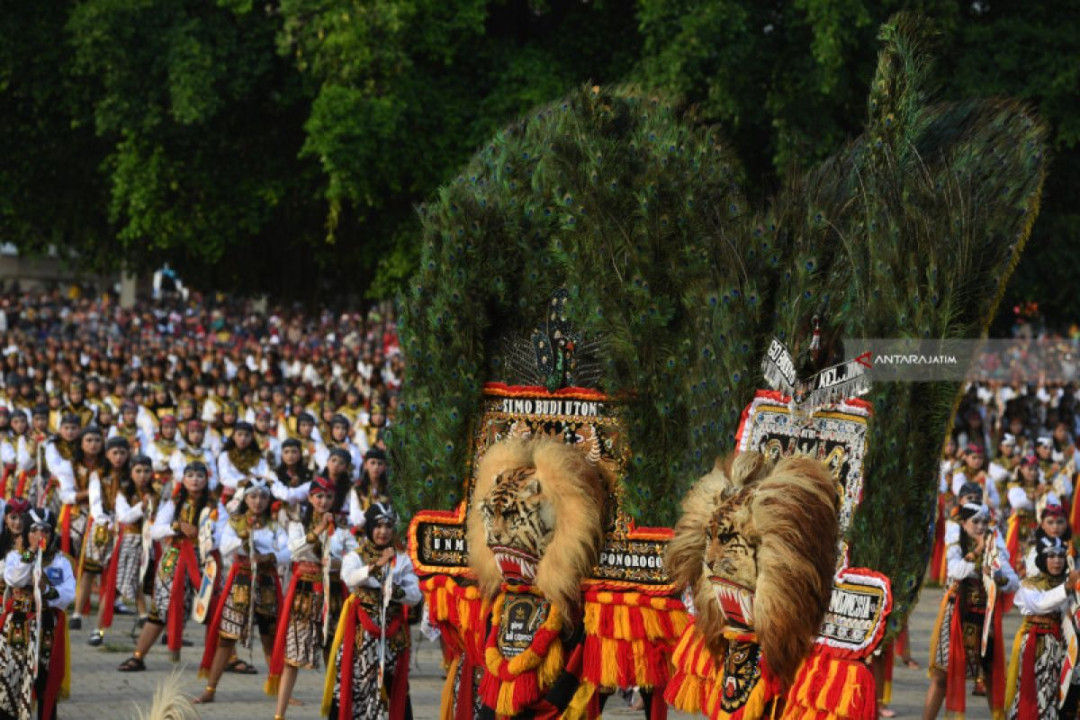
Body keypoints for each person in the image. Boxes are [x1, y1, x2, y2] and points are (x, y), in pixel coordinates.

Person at [267, 476, 358, 719]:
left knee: (336, 655)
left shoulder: (342, 529)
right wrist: (318, 530)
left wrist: (336, 563)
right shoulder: (299, 524)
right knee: (293, 657)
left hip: (333, 596)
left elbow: (352, 557)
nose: (323, 501)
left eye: (328, 497)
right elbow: (296, 551)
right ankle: (279, 714)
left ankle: (338, 712)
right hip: (305, 597)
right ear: (310, 498)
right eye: (319, 496)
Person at [117, 461, 220, 670]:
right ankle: (138, 656)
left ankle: (225, 659)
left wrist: (206, 536)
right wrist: (178, 526)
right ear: (183, 479)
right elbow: (155, 530)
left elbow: (222, 533)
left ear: (207, 479)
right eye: (190, 475)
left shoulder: (214, 505)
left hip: (204, 560)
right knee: (161, 609)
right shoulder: (174, 503)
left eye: (200, 476)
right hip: (174, 559)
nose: (195, 480)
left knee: (213, 607)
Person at [923, 502, 1020, 720]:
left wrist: (997, 577)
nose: (980, 526)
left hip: (985, 620)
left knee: (992, 674)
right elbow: (956, 570)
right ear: (964, 523)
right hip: (956, 616)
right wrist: (978, 555)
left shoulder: (994, 547)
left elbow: (1013, 582)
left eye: (985, 522)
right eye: (975, 521)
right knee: (941, 675)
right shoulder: (957, 542)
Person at [324, 502, 420, 720]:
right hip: (361, 636)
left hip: (393, 636)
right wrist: (377, 566)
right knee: (357, 685)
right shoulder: (355, 556)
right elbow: (349, 577)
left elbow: (415, 595)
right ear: (369, 528)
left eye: (388, 526)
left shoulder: (402, 558)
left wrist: (393, 589)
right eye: (378, 526)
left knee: (395, 686)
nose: (383, 531)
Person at [196, 477, 288, 703]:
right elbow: (225, 546)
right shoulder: (234, 522)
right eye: (253, 496)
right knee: (227, 637)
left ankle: (281, 691)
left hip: (265, 581)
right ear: (245, 499)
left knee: (270, 637)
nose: (258, 502)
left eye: (263, 497)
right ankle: (210, 689)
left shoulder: (275, 525)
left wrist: (270, 555)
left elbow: (289, 551)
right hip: (241, 582)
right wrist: (244, 540)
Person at [0, 508, 76, 720]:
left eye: (46, 530)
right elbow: (13, 578)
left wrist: (45, 590)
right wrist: (31, 552)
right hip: (17, 626)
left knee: (44, 678)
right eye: (34, 530)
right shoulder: (15, 556)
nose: (40, 535)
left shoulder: (61, 561)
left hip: (47, 629)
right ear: (26, 533)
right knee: (10, 676)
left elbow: (68, 594)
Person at [1004, 535, 1080, 719]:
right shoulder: (1030, 585)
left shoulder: (1072, 583)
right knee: (1036, 698)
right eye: (1051, 556)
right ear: (1042, 559)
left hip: (1067, 648)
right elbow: (1041, 604)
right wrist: (1068, 587)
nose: (1057, 560)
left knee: (1067, 699)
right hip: (1038, 646)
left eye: (1061, 556)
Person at [90, 453, 156, 644]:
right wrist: (141, 508)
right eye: (138, 471)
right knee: (115, 587)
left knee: (157, 588)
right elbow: (124, 517)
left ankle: (159, 629)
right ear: (131, 472)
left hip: (152, 545)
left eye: (146, 471)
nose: (142, 475)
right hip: (129, 543)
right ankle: (98, 629)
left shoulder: (157, 492)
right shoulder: (123, 492)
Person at [73, 435, 130, 631]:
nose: (119, 457)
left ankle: (109, 616)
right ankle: (78, 613)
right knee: (90, 570)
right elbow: (95, 503)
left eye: (122, 452)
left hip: (125, 526)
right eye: (115, 452)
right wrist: (106, 522)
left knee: (117, 572)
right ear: (107, 454)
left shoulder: (131, 476)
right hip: (101, 525)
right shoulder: (97, 475)